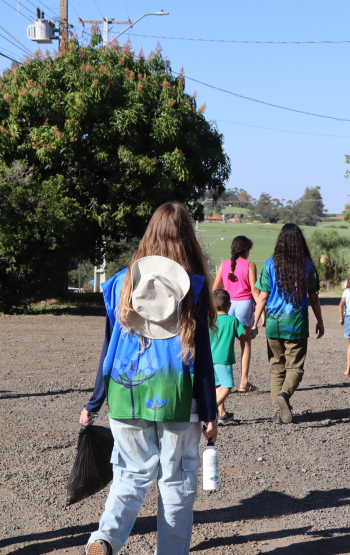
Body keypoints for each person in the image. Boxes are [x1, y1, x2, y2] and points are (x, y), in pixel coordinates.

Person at [80, 203, 218, 555]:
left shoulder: (117, 285)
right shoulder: (195, 287)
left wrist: (94, 401)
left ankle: (104, 539)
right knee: (176, 484)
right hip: (177, 398)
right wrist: (210, 413)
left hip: (125, 393)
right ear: (187, 238)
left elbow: (108, 348)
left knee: (129, 476)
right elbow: (201, 357)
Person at [252, 224, 324, 424]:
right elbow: (314, 298)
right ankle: (284, 396)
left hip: (274, 325)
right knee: (295, 368)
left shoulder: (269, 265)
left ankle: (277, 413)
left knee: (277, 369)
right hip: (297, 325)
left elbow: (263, 296)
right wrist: (320, 321)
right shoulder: (307, 265)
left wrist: (255, 322)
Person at [212, 236, 259, 393]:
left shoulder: (224, 265)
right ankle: (244, 381)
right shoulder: (250, 265)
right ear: (245, 250)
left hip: (226, 304)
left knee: (224, 341)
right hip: (244, 305)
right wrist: (262, 309)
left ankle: (220, 381)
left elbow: (215, 289)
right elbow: (254, 289)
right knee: (245, 343)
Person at [210, 289, 258, 424]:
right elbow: (243, 338)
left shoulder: (209, 320)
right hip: (223, 359)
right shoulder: (232, 320)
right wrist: (253, 335)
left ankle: (222, 414)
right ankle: (211, 408)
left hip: (210, 359)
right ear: (229, 305)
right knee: (228, 386)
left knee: (218, 385)